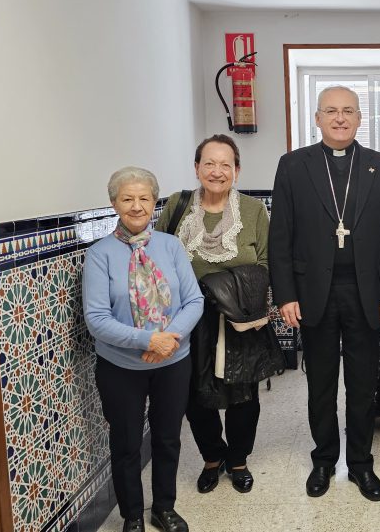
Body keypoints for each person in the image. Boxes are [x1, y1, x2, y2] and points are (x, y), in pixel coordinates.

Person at [269, 85, 380, 502]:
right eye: (331, 111)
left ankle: (361, 465)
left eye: (348, 111)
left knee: (363, 384)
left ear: (360, 118)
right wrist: (286, 295)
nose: (340, 118)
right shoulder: (293, 166)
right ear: (317, 118)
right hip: (315, 291)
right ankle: (325, 460)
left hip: (365, 292)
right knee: (322, 384)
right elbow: (281, 237)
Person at [83, 167, 204, 532]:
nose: (136, 207)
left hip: (173, 361)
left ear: (154, 202)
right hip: (120, 367)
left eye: (144, 198)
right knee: (126, 444)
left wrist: (169, 341)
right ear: (114, 204)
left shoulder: (170, 246)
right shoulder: (100, 254)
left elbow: (194, 301)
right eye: (127, 199)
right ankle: (132, 515)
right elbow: (96, 318)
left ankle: (164, 508)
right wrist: (147, 341)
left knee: (168, 438)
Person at [155, 134, 274, 496]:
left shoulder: (253, 211)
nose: (217, 172)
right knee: (194, 394)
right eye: (209, 163)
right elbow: (157, 257)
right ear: (197, 168)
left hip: (238, 317)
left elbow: (267, 262)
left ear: (237, 171)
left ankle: (238, 460)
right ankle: (212, 457)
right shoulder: (177, 205)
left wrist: (228, 286)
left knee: (243, 395)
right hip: (187, 320)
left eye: (226, 165)